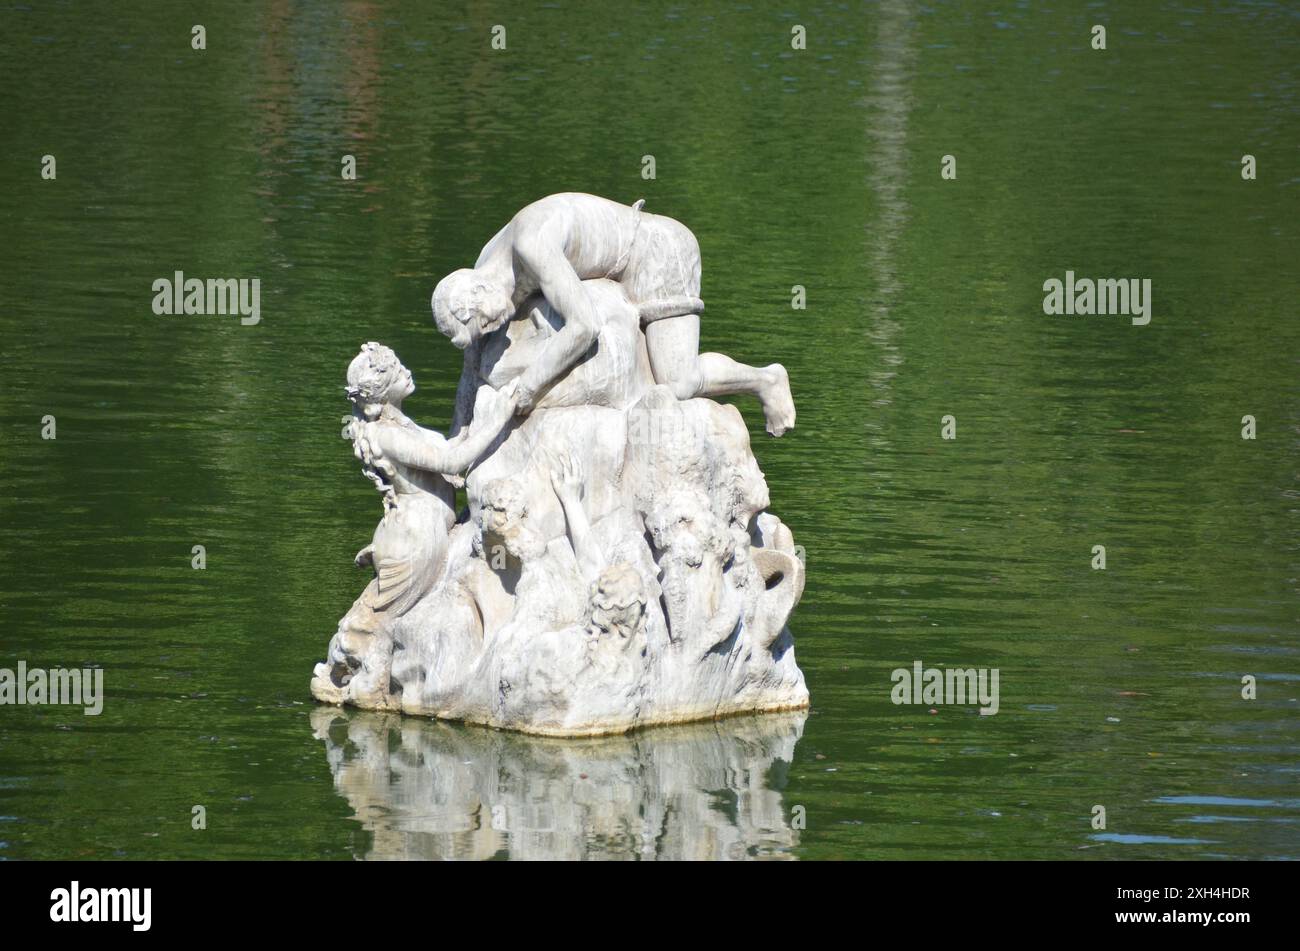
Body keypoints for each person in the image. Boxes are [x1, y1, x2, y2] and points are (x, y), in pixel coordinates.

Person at [431, 192, 795, 437]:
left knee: (677, 382)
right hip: (622, 269)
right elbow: (469, 369)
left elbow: (585, 325)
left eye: (483, 323)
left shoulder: (532, 244)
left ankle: (766, 380)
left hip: (656, 252)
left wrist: (529, 388)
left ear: (477, 290)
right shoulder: (483, 269)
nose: (490, 329)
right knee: (652, 383)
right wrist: (456, 443)